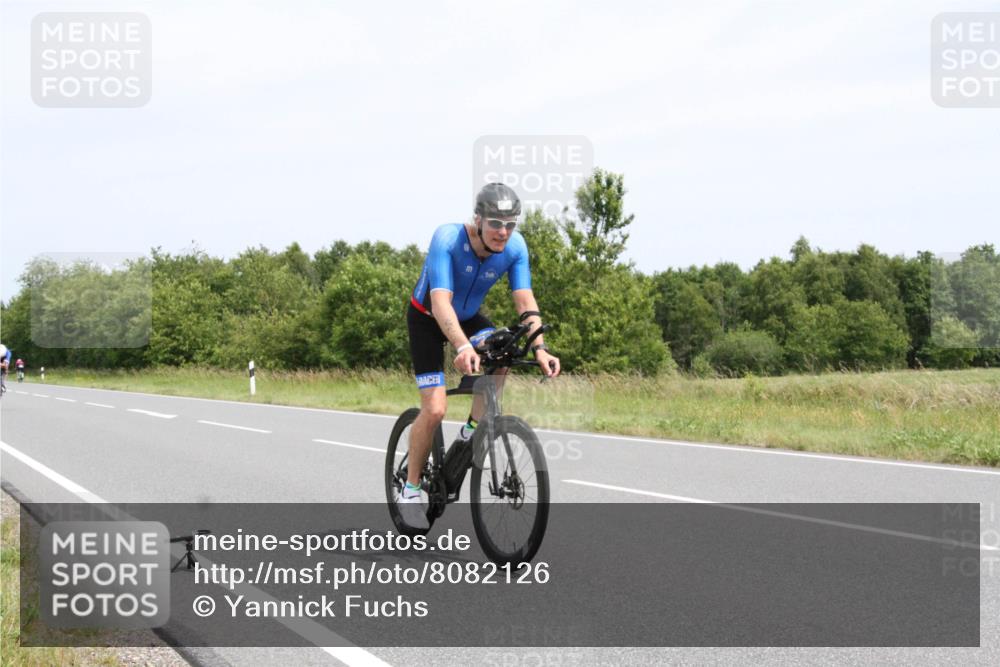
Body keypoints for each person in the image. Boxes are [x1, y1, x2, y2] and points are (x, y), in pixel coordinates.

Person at [399, 183, 561, 529]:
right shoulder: (447, 239)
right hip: (428, 318)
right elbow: (440, 303)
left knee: (505, 347)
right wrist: (462, 347)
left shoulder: (515, 247)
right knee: (435, 409)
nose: (503, 232)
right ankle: (410, 490)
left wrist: (540, 348)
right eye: (496, 224)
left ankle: (471, 431)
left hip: (469, 317)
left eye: (510, 224)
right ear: (478, 220)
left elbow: (525, 301)